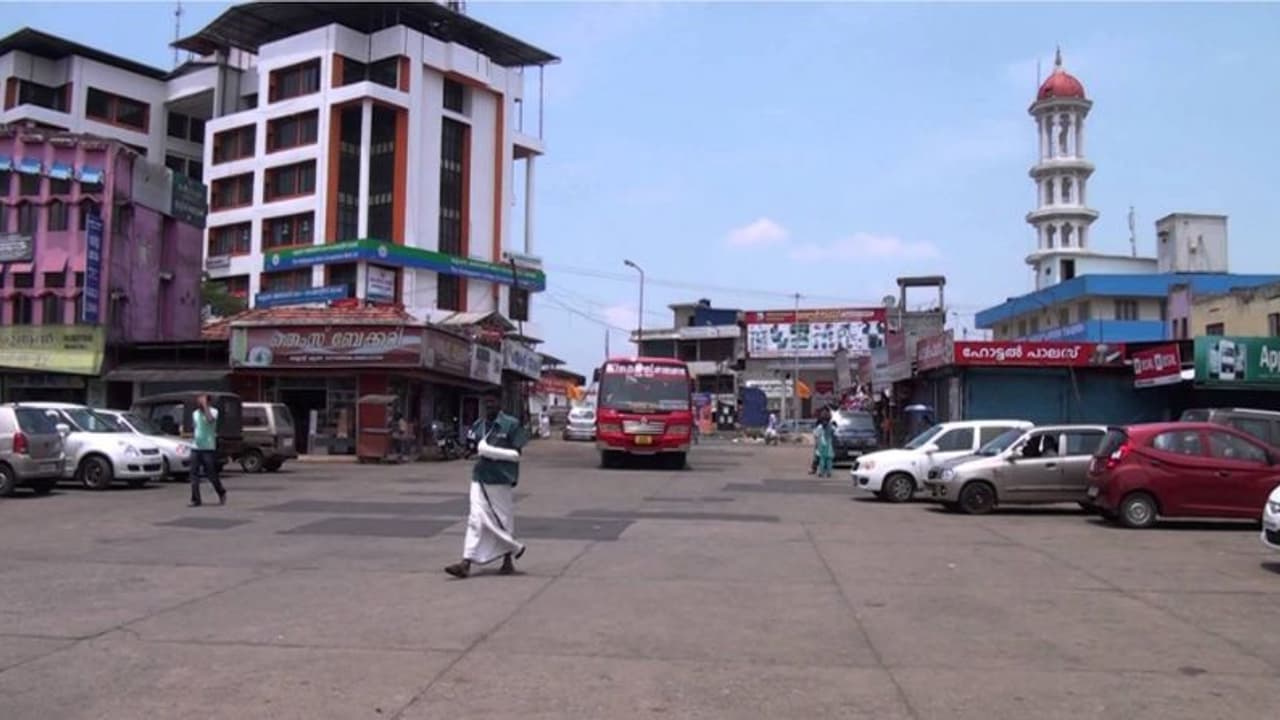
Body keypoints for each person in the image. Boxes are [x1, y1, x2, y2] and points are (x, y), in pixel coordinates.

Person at [445, 399, 528, 579]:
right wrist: (471, 451)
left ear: (500, 406)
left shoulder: (511, 425)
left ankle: (508, 558)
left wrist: (488, 451)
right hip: (480, 478)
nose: (488, 409)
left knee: (502, 520)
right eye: (486, 406)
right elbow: (471, 449)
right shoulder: (479, 425)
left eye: (492, 405)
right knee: (475, 519)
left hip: (501, 479)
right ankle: (466, 562)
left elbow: (516, 454)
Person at [189, 394, 226, 507]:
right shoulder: (195, 413)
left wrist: (205, 405)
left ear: (208, 402)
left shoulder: (214, 412)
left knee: (210, 473)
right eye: (198, 401)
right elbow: (195, 427)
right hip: (196, 447)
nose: (199, 403)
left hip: (208, 448)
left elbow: (210, 420)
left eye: (202, 401)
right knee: (193, 474)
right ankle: (196, 499)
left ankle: (221, 491)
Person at [813, 411, 835, 478]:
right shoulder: (831, 426)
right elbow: (833, 433)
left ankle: (821, 472)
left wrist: (816, 444)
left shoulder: (820, 427)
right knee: (829, 459)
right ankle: (828, 472)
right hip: (828, 444)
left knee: (822, 459)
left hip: (822, 445)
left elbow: (815, 435)